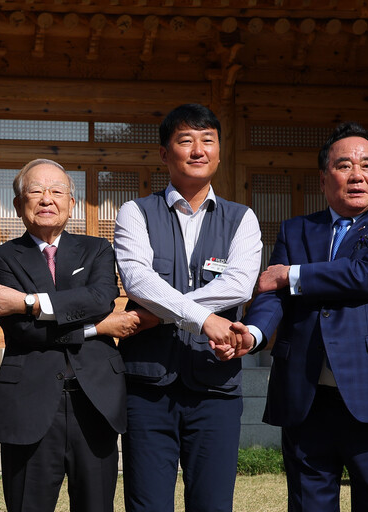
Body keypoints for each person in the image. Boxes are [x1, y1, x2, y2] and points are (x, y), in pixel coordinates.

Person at [231, 122, 368, 511]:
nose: (357, 175)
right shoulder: (297, 229)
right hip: (306, 396)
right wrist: (253, 332)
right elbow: (271, 293)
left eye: (367, 166)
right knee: (308, 504)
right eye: (344, 166)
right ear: (323, 179)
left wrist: (294, 274)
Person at [113, 103, 262, 511]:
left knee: (213, 504)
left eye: (207, 140)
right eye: (185, 140)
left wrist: (157, 313)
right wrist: (204, 319)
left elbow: (239, 284)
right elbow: (138, 280)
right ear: (165, 153)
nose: (198, 150)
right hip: (147, 388)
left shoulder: (241, 218)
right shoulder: (135, 212)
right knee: (147, 504)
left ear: (219, 150)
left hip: (216, 388)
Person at [0, 159, 135, 511]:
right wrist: (98, 327)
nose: (46, 199)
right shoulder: (2, 258)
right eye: (35, 191)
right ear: (19, 205)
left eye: (56, 191)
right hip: (29, 403)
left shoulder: (97, 249)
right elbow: (23, 331)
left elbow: (98, 299)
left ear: (71, 202)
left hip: (95, 403)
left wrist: (27, 301)